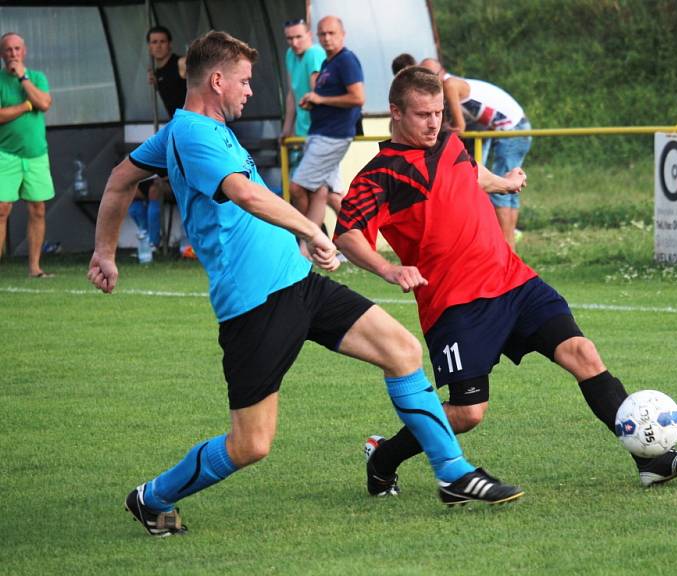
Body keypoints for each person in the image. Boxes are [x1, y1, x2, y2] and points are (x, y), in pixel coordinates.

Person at [88, 32, 523, 536]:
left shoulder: (193, 130)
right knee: (251, 444)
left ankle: (454, 474)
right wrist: (311, 228)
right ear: (217, 80)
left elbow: (120, 178)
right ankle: (153, 497)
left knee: (401, 350)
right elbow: (245, 194)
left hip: (299, 284)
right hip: (255, 304)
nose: (250, 92)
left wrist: (104, 251)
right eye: (245, 82)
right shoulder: (191, 134)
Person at [334, 66, 677, 498]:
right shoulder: (380, 174)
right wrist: (388, 268)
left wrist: (503, 183)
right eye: (423, 114)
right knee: (468, 412)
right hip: (457, 304)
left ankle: (651, 461)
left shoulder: (450, 142)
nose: (434, 122)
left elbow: (469, 172)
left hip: (513, 281)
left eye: (438, 111)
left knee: (582, 352)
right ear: (395, 114)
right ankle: (383, 457)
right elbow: (346, 232)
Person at [421, 58, 531, 252]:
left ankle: (508, 250)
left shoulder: (449, 85)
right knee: (510, 193)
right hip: (517, 128)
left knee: (501, 190)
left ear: (440, 73)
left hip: (512, 131)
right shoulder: (453, 83)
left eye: (428, 77)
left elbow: (460, 127)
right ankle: (510, 248)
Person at [289, 16, 364, 230]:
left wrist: (320, 99)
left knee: (297, 188)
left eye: (332, 33)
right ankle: (353, 241)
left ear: (343, 34)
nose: (326, 38)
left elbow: (358, 98)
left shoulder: (347, 60)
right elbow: (327, 98)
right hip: (321, 132)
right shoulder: (327, 62)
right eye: (322, 34)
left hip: (332, 136)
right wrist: (313, 103)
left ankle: (309, 238)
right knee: (328, 194)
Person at [130, 25, 192, 256]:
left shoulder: (180, 64)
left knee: (164, 187)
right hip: (174, 130)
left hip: (186, 130)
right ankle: (148, 240)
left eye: (162, 41)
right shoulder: (156, 72)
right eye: (153, 42)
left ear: (170, 44)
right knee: (135, 188)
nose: (158, 46)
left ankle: (165, 243)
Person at [0, 32, 54, 278]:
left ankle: (34, 267)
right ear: (2, 54)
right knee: (2, 209)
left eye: (17, 49)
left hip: (36, 155)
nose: (13, 54)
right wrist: (26, 106)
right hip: (5, 155)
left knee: (38, 209)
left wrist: (23, 77)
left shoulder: (38, 77)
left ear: (25, 52)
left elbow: (43, 103)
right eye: (9, 50)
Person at [280, 18, 326, 178]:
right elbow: (292, 94)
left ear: (309, 34)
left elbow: (318, 95)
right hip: (301, 133)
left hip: (318, 135)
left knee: (321, 191)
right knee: (299, 189)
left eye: (298, 37)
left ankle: (351, 204)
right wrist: (287, 129)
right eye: (289, 38)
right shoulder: (290, 55)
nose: (294, 42)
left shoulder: (315, 53)